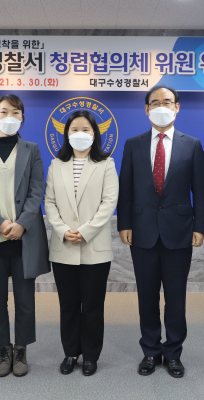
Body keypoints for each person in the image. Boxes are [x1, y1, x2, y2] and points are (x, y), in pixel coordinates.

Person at [117, 86, 204, 378]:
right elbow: (126, 188)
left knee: (176, 298)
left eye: (167, 102)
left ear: (177, 107)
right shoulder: (133, 144)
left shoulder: (192, 144)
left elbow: (200, 190)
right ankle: (150, 351)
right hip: (142, 231)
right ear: (146, 109)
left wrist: (199, 226)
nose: (161, 107)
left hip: (179, 232)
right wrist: (124, 223)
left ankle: (173, 353)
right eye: (155, 103)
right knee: (147, 296)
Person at [0, 94, 50, 378]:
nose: (10, 117)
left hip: (24, 238)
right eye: (4, 112)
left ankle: (21, 350)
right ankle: (4, 350)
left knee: (25, 301)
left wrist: (22, 223)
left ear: (22, 117)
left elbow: (37, 190)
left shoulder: (32, 149)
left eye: (16, 112)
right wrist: (0, 222)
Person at [44, 110, 119, 377]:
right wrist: (64, 230)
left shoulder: (106, 164)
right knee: (68, 304)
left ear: (95, 134)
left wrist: (85, 231)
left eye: (86, 129)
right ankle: (70, 353)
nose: (80, 134)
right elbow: (49, 202)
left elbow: (109, 202)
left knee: (93, 305)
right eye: (74, 129)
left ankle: (90, 355)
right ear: (66, 134)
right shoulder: (56, 165)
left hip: (94, 247)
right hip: (63, 246)